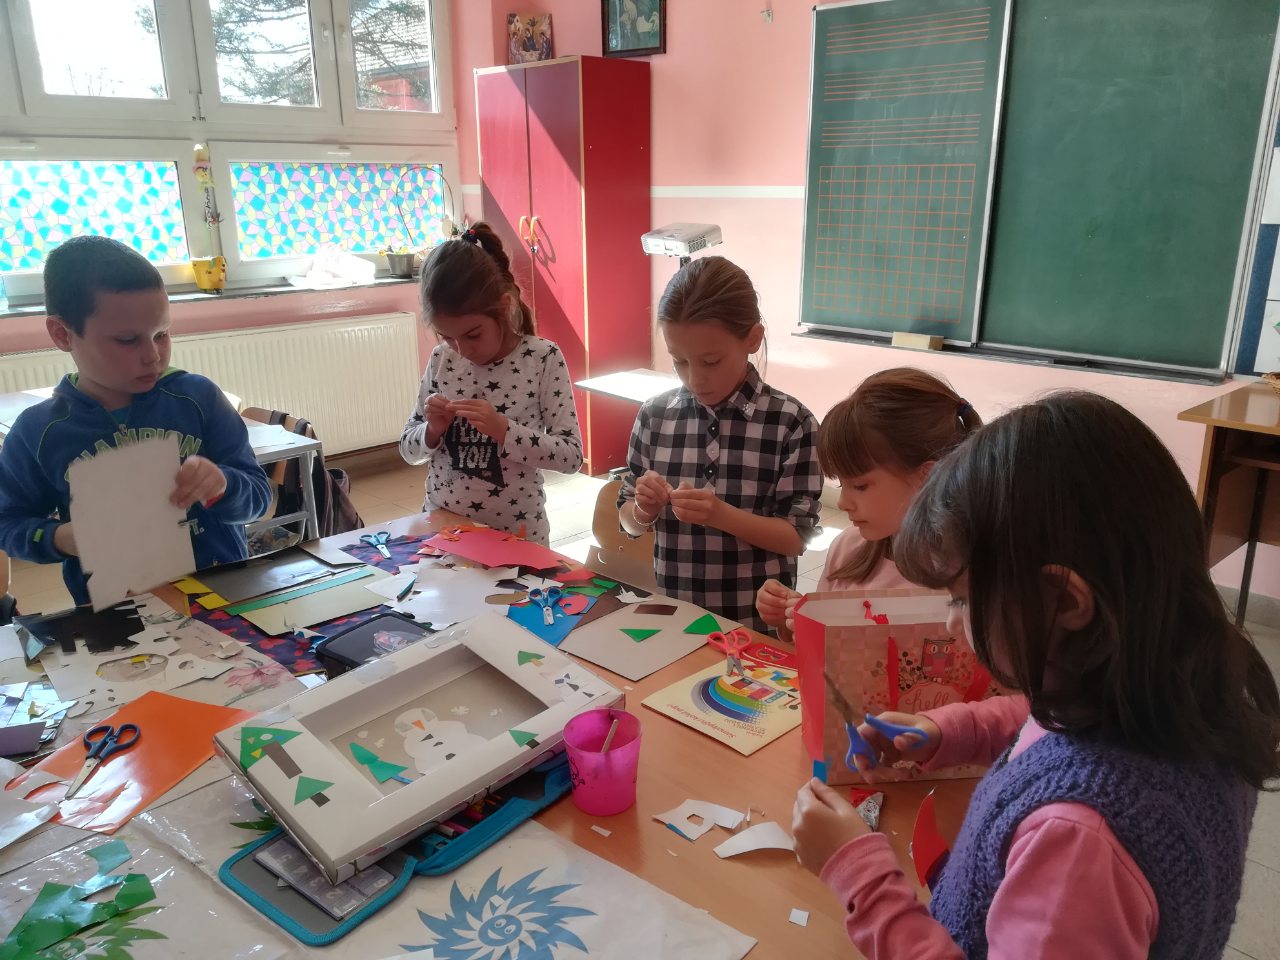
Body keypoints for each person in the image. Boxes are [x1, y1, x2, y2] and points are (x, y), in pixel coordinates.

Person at [791, 391, 1280, 960]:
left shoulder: (1078, 842)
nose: (951, 625)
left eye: (962, 600)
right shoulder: (1169, 688)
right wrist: (948, 732)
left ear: (1063, 600)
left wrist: (859, 875)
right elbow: (1041, 726)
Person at [0, 236, 271, 606]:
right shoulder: (39, 432)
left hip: (222, 597)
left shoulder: (198, 399)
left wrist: (223, 485)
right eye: (128, 340)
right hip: (118, 615)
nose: (152, 356)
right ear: (63, 334)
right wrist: (62, 538)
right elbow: (9, 524)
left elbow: (258, 499)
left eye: (161, 334)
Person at [617, 256, 822, 631]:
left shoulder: (791, 422)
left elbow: (796, 537)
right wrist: (643, 510)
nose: (695, 379)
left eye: (710, 361)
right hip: (675, 620)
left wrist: (719, 515)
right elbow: (628, 522)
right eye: (679, 361)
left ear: (752, 339)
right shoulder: (655, 415)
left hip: (753, 627)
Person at [756, 368, 981, 640]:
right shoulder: (848, 550)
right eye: (842, 485)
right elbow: (827, 652)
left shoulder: (971, 579)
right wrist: (793, 620)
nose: (842, 503)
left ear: (928, 476)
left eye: (860, 486)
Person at [399, 223, 582, 545]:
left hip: (517, 536)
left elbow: (570, 457)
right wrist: (432, 430)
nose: (462, 350)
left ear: (504, 307)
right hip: (445, 528)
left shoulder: (542, 357)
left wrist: (504, 430)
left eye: (473, 335)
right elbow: (408, 451)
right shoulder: (442, 358)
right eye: (447, 337)